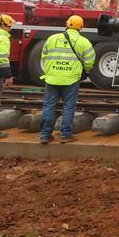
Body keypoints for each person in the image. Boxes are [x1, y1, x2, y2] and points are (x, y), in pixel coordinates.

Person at [39, 15, 95, 144]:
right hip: (71, 79)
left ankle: (45, 135)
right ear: (81, 27)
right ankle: (66, 135)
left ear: (66, 24)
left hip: (52, 78)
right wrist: (85, 70)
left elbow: (44, 56)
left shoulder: (52, 38)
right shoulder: (84, 42)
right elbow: (89, 61)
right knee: (68, 106)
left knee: (49, 106)